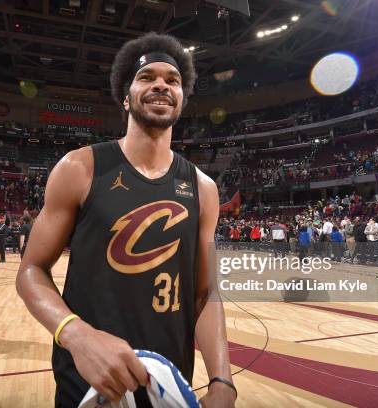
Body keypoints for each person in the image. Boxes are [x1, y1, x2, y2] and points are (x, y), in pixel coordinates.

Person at [16, 33, 235, 407]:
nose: (162, 84)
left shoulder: (204, 188)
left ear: (182, 97)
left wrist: (222, 380)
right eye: (147, 77)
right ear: (126, 94)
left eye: (173, 79)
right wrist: (77, 336)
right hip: (86, 382)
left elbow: (204, 294)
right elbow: (31, 271)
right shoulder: (80, 167)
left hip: (168, 384)